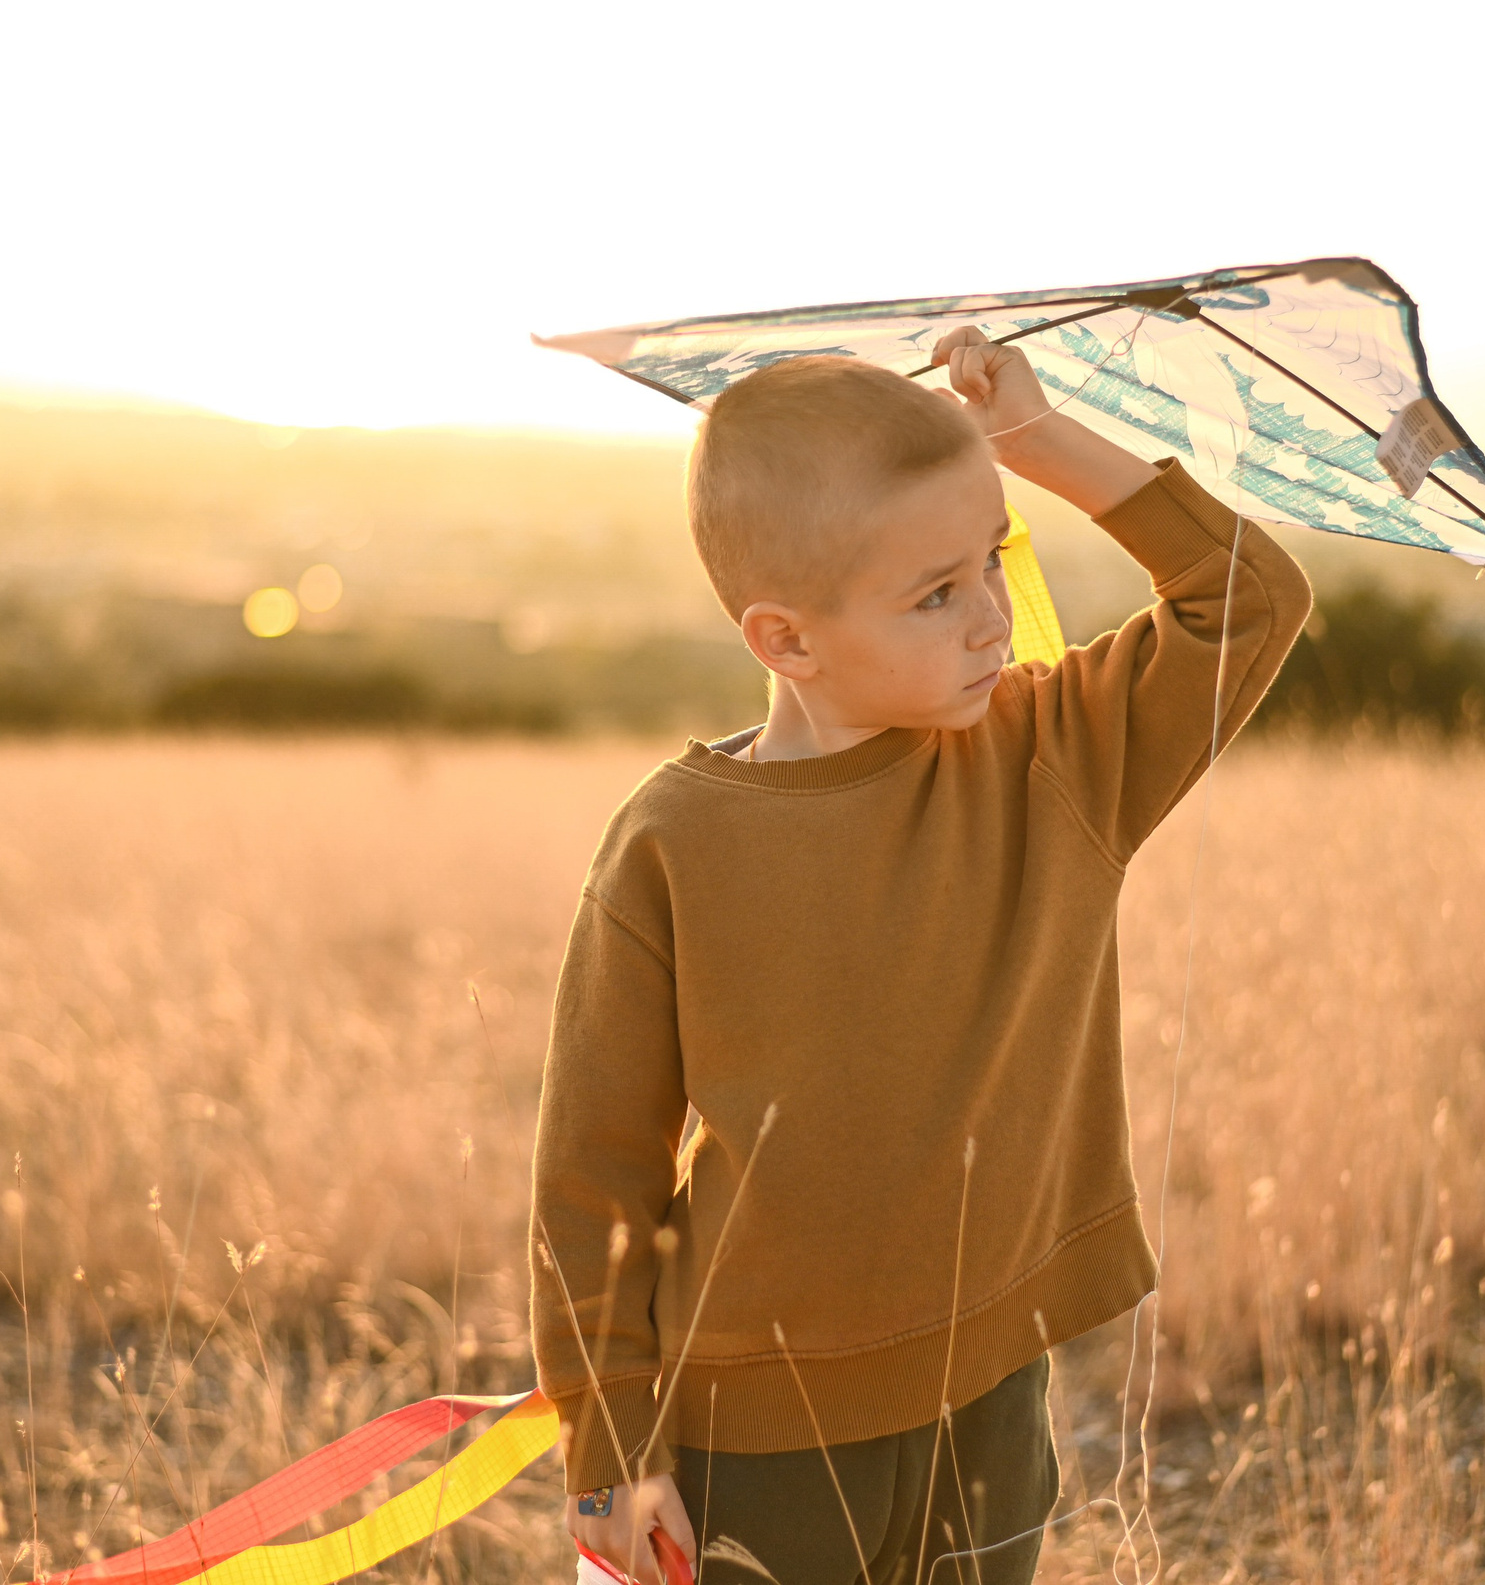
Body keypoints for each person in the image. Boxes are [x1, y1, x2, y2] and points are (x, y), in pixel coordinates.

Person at [530, 326, 1312, 1585]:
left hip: (994, 1399)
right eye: (935, 593)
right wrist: (608, 1447)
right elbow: (594, 1178)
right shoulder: (672, 844)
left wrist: (1039, 443)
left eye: (993, 560)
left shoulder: (1054, 755)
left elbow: (1252, 598)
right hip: (755, 1433)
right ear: (784, 639)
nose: (992, 618)